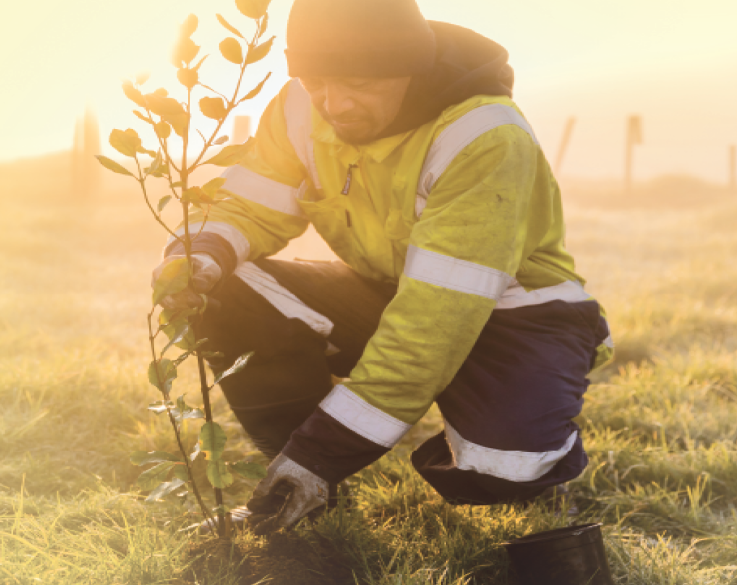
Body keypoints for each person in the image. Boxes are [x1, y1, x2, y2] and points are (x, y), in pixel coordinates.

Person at [152, 0, 614, 533]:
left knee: (505, 471)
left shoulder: (486, 137)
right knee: (225, 289)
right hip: (392, 291)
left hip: (516, 313)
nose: (335, 103)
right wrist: (199, 256)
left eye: (359, 83)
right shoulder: (300, 104)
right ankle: (305, 501)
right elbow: (251, 206)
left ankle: (538, 457)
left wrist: (322, 452)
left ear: (409, 68)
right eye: (317, 80)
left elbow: (430, 324)